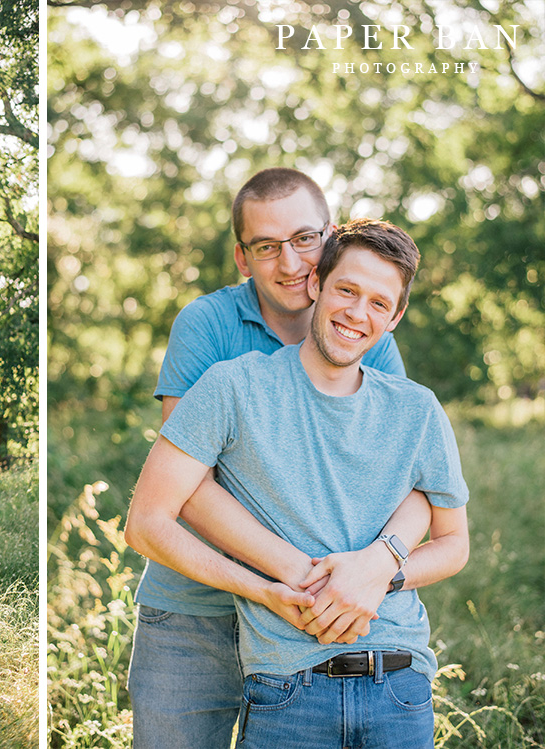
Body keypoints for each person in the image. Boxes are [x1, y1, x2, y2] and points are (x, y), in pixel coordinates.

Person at [125, 168, 465, 748]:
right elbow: (185, 491)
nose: (290, 263)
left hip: (339, 627)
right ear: (242, 257)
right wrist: (302, 578)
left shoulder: (369, 335)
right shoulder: (212, 339)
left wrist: (377, 566)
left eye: (305, 240)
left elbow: (411, 475)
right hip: (197, 601)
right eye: (266, 246)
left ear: (329, 240)